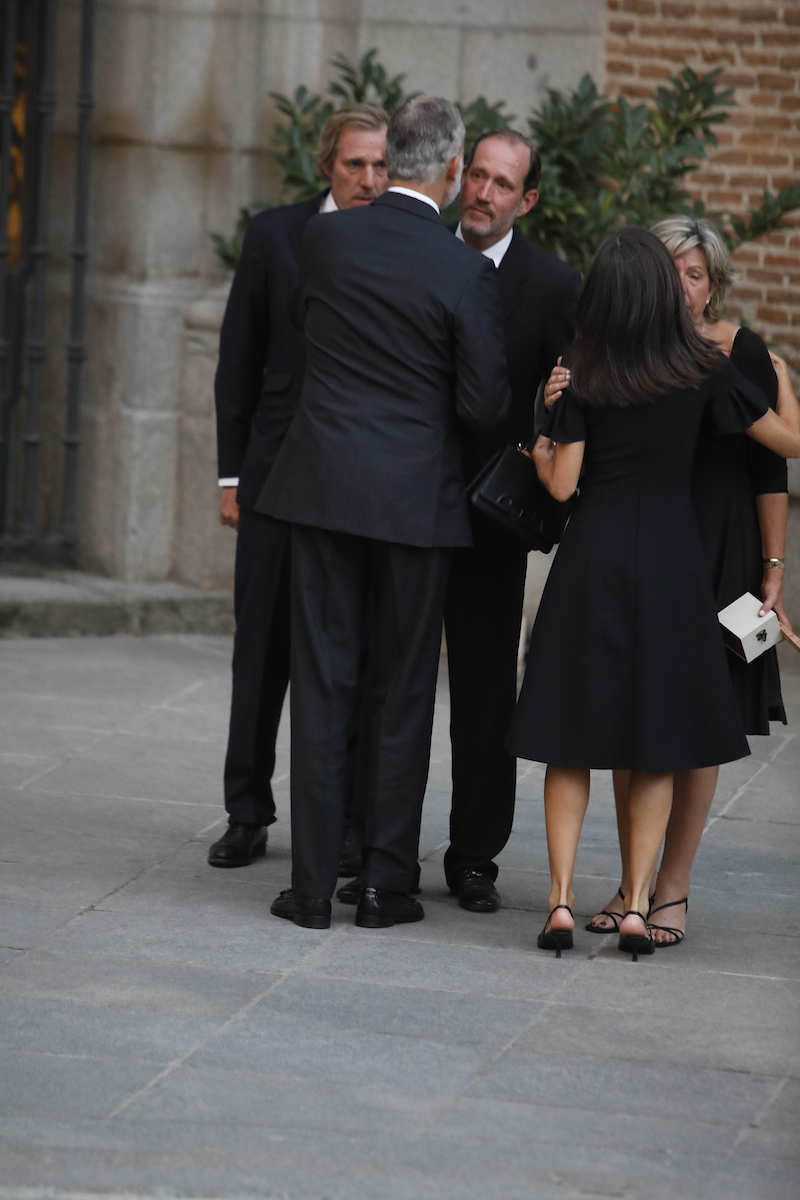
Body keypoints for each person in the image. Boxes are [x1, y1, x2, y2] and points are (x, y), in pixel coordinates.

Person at [509, 226, 800, 960]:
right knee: (661, 743)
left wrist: (543, 449)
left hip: (594, 561)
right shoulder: (704, 368)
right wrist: (780, 377)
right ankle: (640, 904)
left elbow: (565, 486)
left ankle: (562, 902)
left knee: (573, 740)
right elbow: (786, 445)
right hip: (676, 563)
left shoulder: (584, 371)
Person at [256, 96, 511, 930]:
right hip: (414, 499)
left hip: (323, 488)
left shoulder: (324, 238)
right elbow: (481, 404)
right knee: (402, 690)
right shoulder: (464, 269)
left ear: (389, 156)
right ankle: (385, 889)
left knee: (323, 682)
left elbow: (307, 324)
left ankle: (308, 889)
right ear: (448, 170)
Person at [208, 104, 388, 870]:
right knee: (262, 654)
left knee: (350, 654)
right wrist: (231, 475)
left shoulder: (401, 245)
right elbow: (237, 361)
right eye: (355, 164)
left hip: (360, 489)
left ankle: (346, 818)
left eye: (382, 166)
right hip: (275, 480)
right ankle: (246, 811)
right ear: (328, 165)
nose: (370, 180)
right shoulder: (275, 235)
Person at [442, 129, 580, 914]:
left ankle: (473, 858)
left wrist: (549, 427)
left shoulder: (554, 285)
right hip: (409, 508)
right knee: (390, 686)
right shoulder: (424, 253)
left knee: (486, 699)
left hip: (492, 522)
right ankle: (379, 845)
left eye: (503, 185)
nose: (484, 194)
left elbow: (570, 408)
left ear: (526, 201)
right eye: (478, 177)